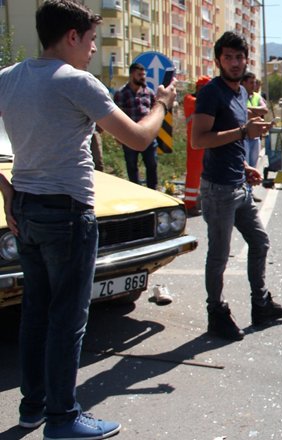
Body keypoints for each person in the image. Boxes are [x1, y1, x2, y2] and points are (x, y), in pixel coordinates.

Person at [0, 1, 175, 438]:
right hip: (68, 213)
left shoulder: (8, 78)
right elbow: (136, 140)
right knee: (68, 318)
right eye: (92, 40)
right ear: (72, 36)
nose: (94, 50)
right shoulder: (77, 82)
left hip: (26, 208)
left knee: (36, 313)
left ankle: (33, 407)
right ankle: (62, 418)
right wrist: (161, 106)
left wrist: (6, 191)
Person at [191, 31, 282, 341]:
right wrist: (242, 132)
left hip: (237, 184)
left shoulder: (238, 93)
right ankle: (216, 313)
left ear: (246, 60)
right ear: (218, 60)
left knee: (259, 241)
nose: (234, 63)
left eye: (239, 57)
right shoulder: (211, 92)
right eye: (228, 58)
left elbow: (231, 137)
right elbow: (199, 140)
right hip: (218, 190)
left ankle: (260, 305)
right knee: (219, 256)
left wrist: (246, 166)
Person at [113, 62, 159, 190]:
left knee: (152, 165)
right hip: (129, 136)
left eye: (144, 75)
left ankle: (153, 192)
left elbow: (156, 110)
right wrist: (118, 135)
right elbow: (116, 115)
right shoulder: (121, 93)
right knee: (132, 166)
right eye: (139, 75)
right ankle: (136, 191)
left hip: (148, 137)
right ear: (132, 75)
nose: (143, 78)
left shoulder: (149, 92)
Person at [183, 75, 211, 215]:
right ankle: (189, 204)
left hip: (206, 141)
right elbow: (199, 105)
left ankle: (204, 200)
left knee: (208, 172)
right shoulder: (190, 99)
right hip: (195, 143)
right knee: (194, 173)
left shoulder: (202, 100)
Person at [242, 71, 268, 202]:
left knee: (254, 165)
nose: (254, 85)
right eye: (251, 82)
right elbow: (243, 112)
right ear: (244, 83)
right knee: (244, 166)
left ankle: (250, 194)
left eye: (254, 82)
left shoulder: (257, 96)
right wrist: (253, 111)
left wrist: (249, 109)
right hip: (243, 136)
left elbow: (265, 110)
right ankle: (243, 194)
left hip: (256, 137)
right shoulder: (239, 95)